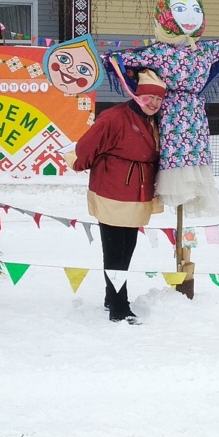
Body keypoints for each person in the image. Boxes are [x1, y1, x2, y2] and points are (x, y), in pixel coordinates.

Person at [115, 0, 219, 216]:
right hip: (171, 110)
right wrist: (109, 59)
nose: (189, 16)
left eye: (195, 11)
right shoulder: (160, 52)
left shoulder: (203, 50)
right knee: (174, 151)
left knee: (194, 152)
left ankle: (190, 191)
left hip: (195, 112)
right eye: (180, 10)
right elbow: (129, 58)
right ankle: (176, 191)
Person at [71, 70, 166, 323]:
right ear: (137, 95)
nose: (154, 103)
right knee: (115, 251)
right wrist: (84, 164)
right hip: (112, 188)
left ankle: (111, 297)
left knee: (127, 249)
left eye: (159, 99)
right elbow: (85, 147)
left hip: (138, 191)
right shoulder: (113, 117)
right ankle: (119, 307)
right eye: (149, 97)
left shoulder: (156, 121)